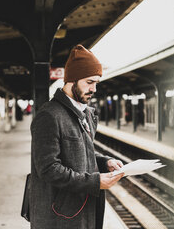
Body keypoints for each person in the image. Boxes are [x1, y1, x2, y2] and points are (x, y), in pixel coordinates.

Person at [30, 45, 124, 229]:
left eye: (96, 82)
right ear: (71, 80)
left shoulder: (87, 113)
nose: (94, 89)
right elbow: (49, 169)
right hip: (60, 217)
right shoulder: (49, 116)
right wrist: (95, 182)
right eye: (89, 82)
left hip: (85, 209)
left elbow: (80, 153)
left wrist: (105, 162)